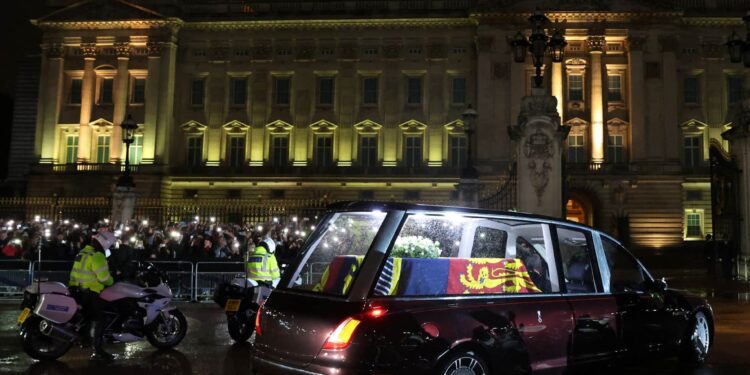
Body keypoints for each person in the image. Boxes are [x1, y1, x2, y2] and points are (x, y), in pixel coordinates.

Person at [68, 230, 116, 360]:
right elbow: (104, 278)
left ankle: (85, 339)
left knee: (88, 318)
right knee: (99, 319)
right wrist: (113, 280)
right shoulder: (97, 255)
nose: (109, 248)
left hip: (77, 289)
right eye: (109, 245)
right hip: (90, 292)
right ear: (104, 243)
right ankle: (98, 352)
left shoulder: (83, 252)